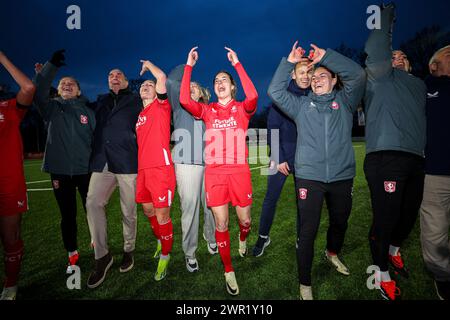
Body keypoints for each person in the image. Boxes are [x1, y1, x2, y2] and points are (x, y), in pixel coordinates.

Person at [268, 41, 365, 300]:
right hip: (309, 177)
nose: (316, 79)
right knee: (307, 231)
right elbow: (275, 91)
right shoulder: (300, 106)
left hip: (342, 176)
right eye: (314, 76)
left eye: (323, 75)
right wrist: (288, 62)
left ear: (334, 81)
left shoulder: (345, 102)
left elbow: (358, 75)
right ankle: (305, 283)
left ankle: (332, 253)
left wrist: (327, 57)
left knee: (340, 222)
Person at [179, 46, 258, 295]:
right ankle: (228, 270)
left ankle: (243, 237)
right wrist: (189, 66)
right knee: (221, 223)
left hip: (239, 172)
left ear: (232, 86)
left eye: (224, 80)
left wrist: (237, 63)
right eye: (216, 81)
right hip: (215, 174)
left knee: (244, 220)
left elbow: (254, 96)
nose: (219, 83)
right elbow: (183, 100)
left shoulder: (242, 108)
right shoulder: (208, 110)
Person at [363, 3, 426, 300]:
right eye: (394, 55)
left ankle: (392, 249)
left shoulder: (419, 86)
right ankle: (381, 271)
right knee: (386, 217)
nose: (398, 57)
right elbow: (376, 45)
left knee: (409, 215)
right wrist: (385, 15)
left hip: (416, 158)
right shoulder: (379, 77)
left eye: (403, 56)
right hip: (385, 155)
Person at [33, 50, 95, 272]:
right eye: (63, 83)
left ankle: (97, 242)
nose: (67, 85)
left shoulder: (89, 112)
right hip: (59, 172)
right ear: (57, 90)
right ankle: (72, 251)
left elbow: (96, 141)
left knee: (93, 210)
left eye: (71, 84)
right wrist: (51, 67)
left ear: (79, 91)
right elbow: (38, 91)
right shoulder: (51, 108)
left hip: (85, 170)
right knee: (67, 214)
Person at [86, 68, 142, 289]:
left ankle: (128, 250)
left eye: (118, 75)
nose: (114, 77)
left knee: (128, 210)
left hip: (127, 161)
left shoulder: (136, 100)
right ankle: (102, 256)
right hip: (102, 161)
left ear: (126, 80)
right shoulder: (100, 101)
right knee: (92, 202)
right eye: (110, 75)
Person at [253, 58, 312, 257]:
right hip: (280, 157)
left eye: (309, 72)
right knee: (270, 198)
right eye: (302, 72)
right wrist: (278, 158)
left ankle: (301, 238)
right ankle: (263, 236)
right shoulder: (282, 96)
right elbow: (272, 128)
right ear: (293, 75)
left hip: (304, 158)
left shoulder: (314, 96)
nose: (306, 76)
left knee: (303, 202)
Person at [166, 64, 217, 273]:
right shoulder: (179, 106)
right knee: (190, 209)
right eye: (190, 85)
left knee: (212, 206)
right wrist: (188, 66)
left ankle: (211, 236)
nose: (192, 87)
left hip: (211, 165)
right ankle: (190, 252)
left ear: (204, 93)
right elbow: (170, 82)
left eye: (196, 85)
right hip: (187, 164)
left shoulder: (209, 110)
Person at [0, 51, 36, 300]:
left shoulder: (9, 107)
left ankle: (10, 285)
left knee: (10, 237)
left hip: (7, 183)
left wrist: (1, 58)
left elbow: (28, 86)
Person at [136, 60, 175, 281]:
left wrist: (148, 65)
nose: (146, 86)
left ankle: (165, 257)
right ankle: (161, 241)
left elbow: (162, 78)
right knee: (148, 211)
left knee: (162, 215)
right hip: (142, 170)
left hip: (160, 170)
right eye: (143, 85)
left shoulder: (161, 107)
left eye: (149, 85)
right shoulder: (139, 116)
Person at [420, 45, 450, 300]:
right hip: (435, 172)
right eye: (449, 55)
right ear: (434, 66)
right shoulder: (423, 88)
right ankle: (443, 276)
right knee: (435, 230)